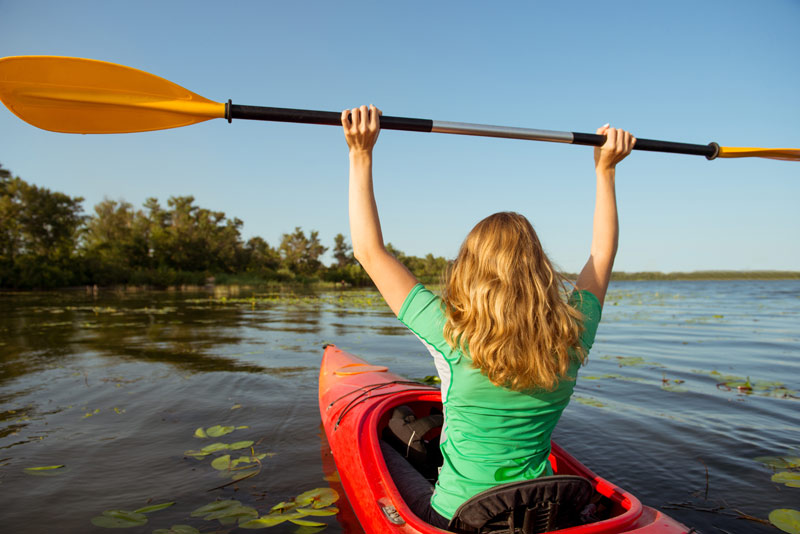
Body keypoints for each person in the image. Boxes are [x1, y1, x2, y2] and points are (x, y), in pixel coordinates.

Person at [341, 104, 635, 529]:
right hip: (544, 511)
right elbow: (602, 254)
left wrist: (360, 154)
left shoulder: (449, 332)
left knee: (381, 443)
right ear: (540, 269)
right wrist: (605, 171)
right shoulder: (573, 332)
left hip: (460, 518)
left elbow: (369, 251)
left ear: (469, 269)